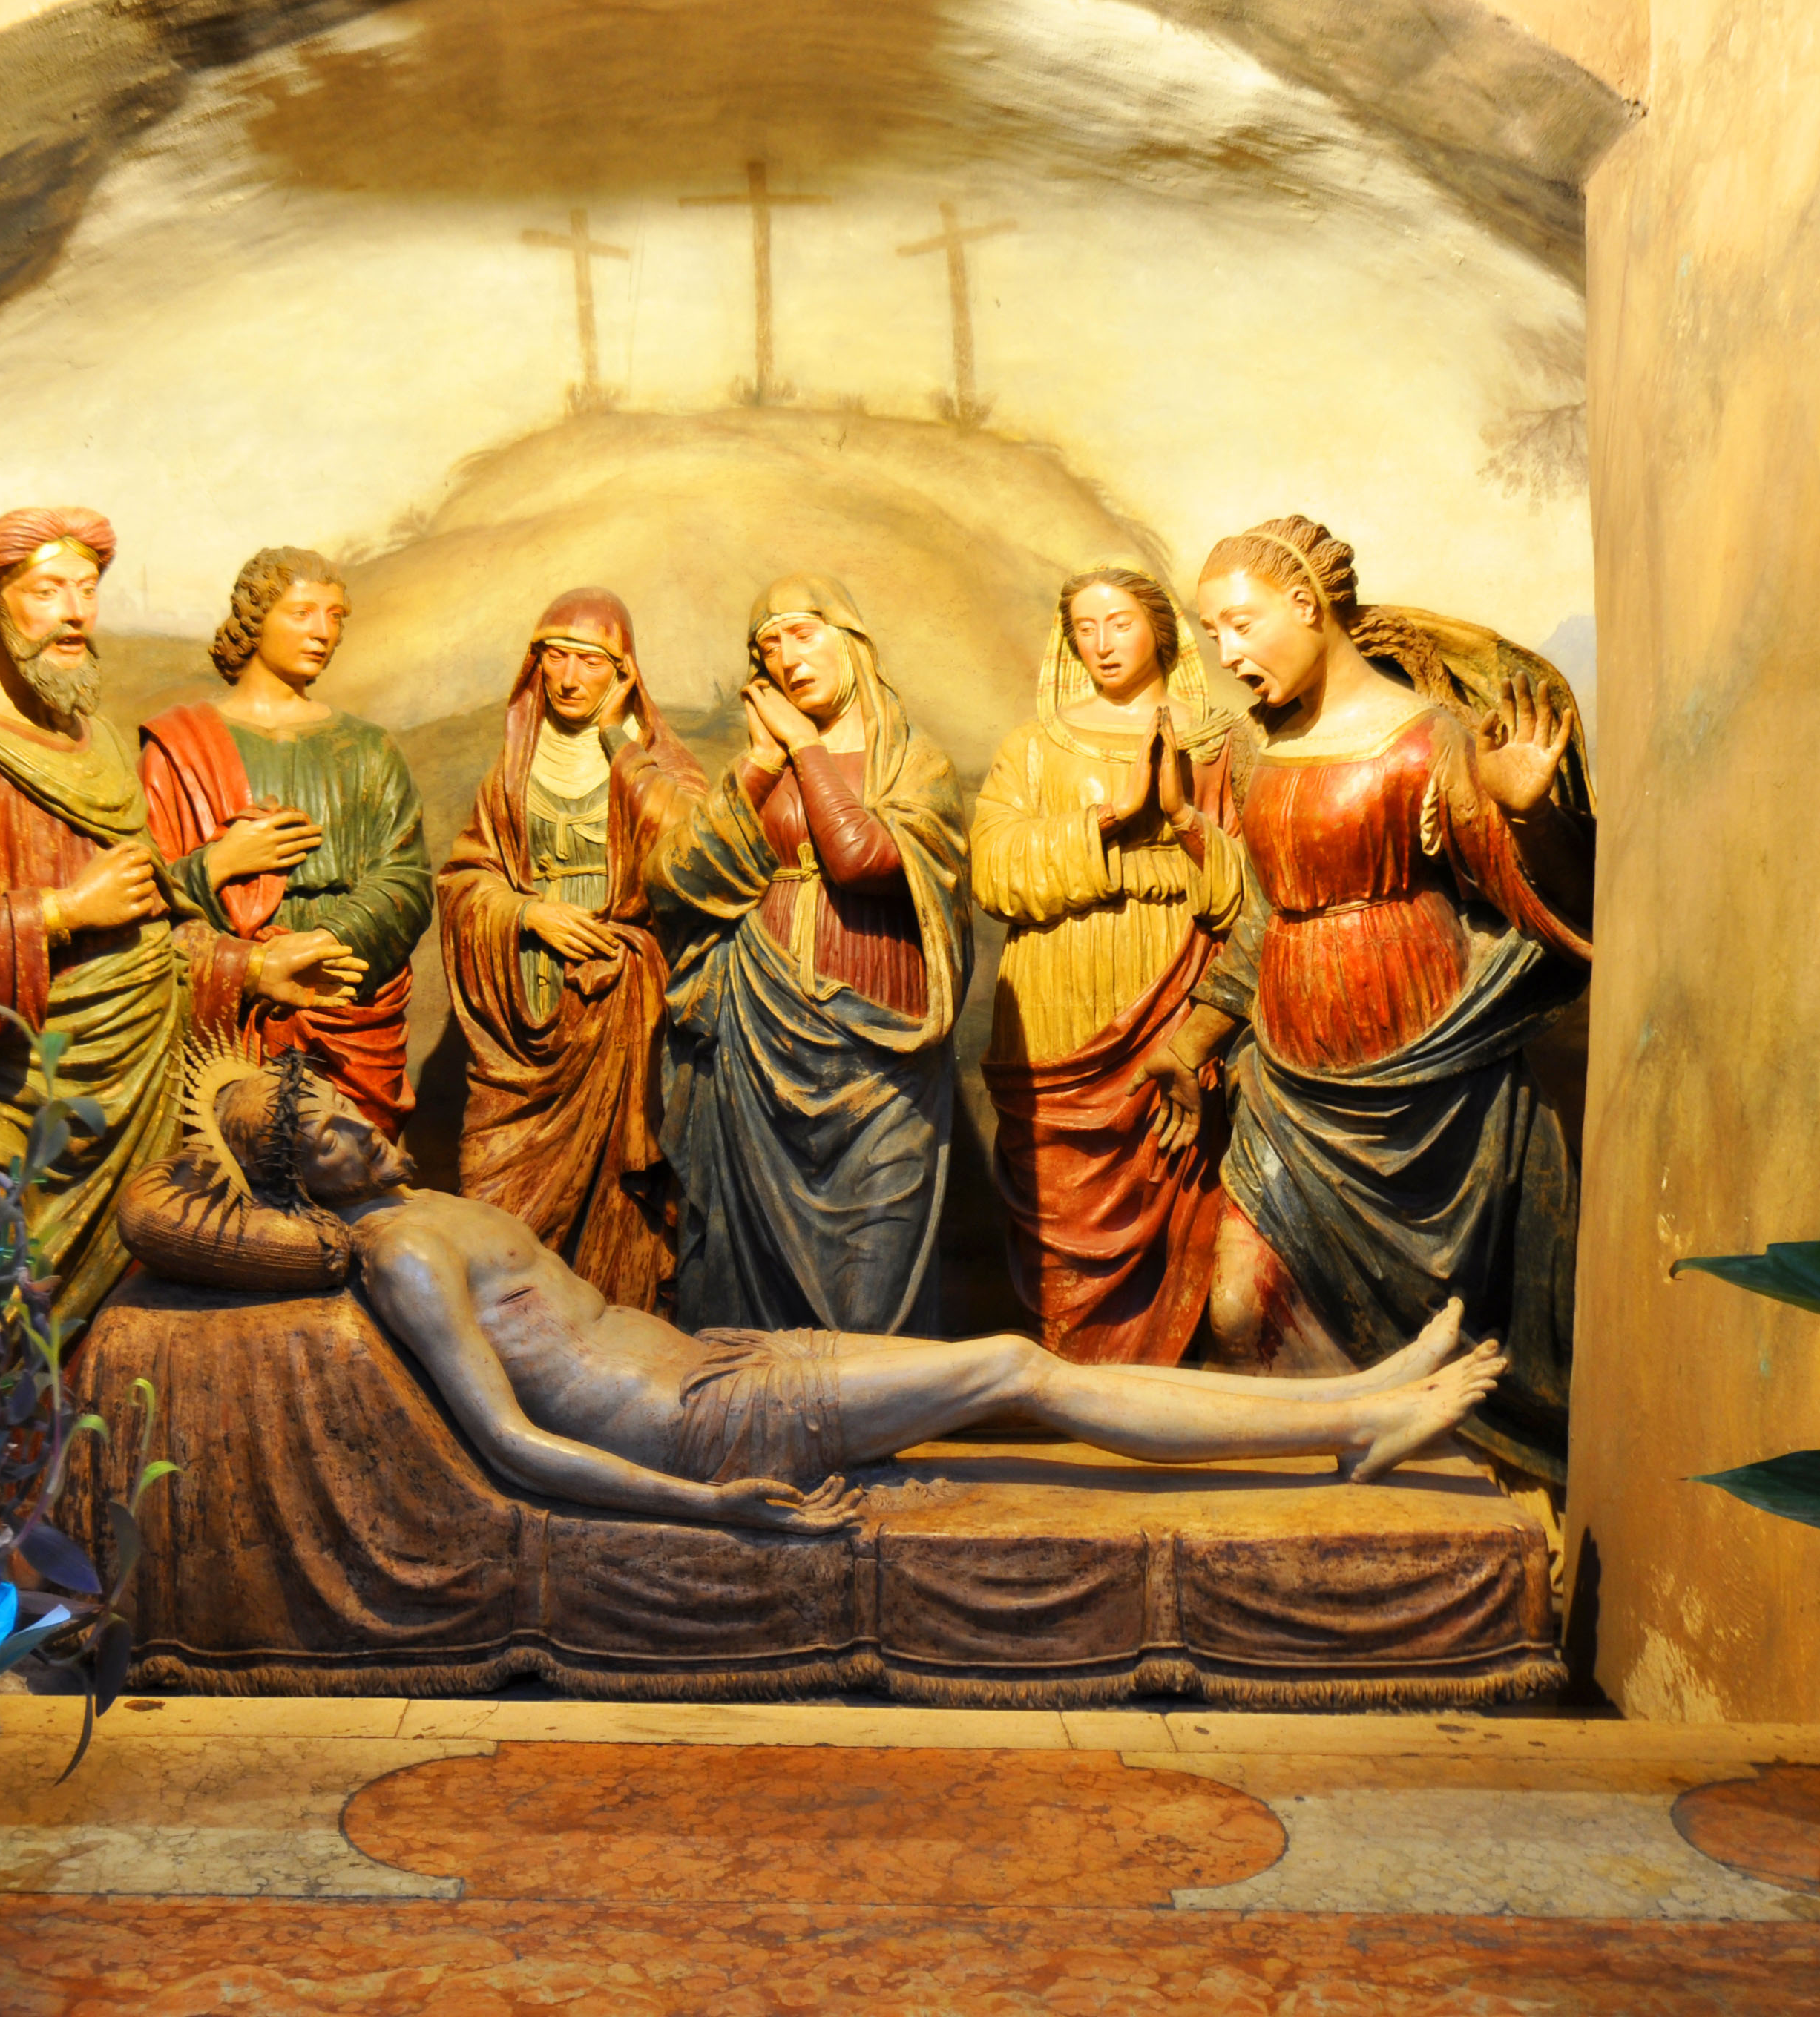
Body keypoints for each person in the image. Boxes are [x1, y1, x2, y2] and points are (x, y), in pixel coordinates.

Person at [138, 1047, 1505, 1533]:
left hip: (716, 1363)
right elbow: (506, 1442)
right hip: (695, 1429)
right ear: (301, 1184)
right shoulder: (395, 1252)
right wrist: (707, 1505)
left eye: (343, 1108)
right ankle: (1349, 1422)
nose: (362, 1124)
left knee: (1018, 1376)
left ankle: (1358, 1398)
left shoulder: (415, 1205)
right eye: (327, 1139)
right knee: (1016, 1369)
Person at [1137, 516, 1592, 1483]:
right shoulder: (1265, 751)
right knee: (1239, 1309)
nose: (1227, 653)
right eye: (1212, 633)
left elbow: (1544, 904)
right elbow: (1263, 915)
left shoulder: (1428, 741)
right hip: (1290, 1087)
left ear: (1308, 605)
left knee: (1440, 1342)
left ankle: (1422, 1519)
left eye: (1241, 625)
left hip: (1426, 1095)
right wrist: (1192, 1041)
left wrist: (1527, 813)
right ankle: (1291, 1521)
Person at [0, 507, 364, 1323]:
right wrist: (57, 911)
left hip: (137, 1098)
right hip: (4, 1102)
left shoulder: (103, 744)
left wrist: (251, 966)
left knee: (127, 1344)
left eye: (87, 590)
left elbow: (146, 930)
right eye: (47, 591)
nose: (75, 614)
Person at [643, 574, 971, 1335]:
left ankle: (871, 1406)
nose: (786, 659)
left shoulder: (914, 764)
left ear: (849, 640)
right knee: (753, 1279)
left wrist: (805, 748)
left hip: (881, 1056)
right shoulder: (764, 767)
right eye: (768, 647)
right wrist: (760, 766)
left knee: (872, 1285)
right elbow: (673, 880)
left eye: (801, 634)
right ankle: (760, 1402)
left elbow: (859, 857)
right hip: (760, 1045)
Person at [974, 567, 1246, 1365]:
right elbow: (993, 868)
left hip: (1174, 987)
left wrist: (1182, 819)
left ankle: (1166, 1377)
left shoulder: (1219, 742)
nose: (1101, 644)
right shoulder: (1033, 748)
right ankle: (1067, 1381)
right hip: (1056, 1005)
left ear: (1160, 629)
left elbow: (1256, 884)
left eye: (1119, 623)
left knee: (1172, 1171)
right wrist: (1111, 817)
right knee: (1060, 1201)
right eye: (1084, 628)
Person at [436, 588, 705, 1308]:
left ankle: (615, 1340)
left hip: (622, 1018)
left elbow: (695, 851)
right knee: (495, 1192)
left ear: (622, 672)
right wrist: (528, 912)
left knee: (619, 1199)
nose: (569, 677)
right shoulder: (512, 770)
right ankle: (507, 1337)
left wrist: (619, 740)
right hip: (523, 1026)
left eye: (590, 661)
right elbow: (464, 880)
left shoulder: (657, 764)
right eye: (556, 656)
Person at [142, 548, 434, 1137]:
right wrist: (218, 865)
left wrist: (327, 943)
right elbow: (148, 896)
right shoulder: (181, 746)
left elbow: (407, 879)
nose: (323, 632)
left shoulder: (370, 748)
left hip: (346, 995)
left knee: (347, 1167)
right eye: (302, 613)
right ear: (255, 620)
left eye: (335, 617)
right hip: (231, 1009)